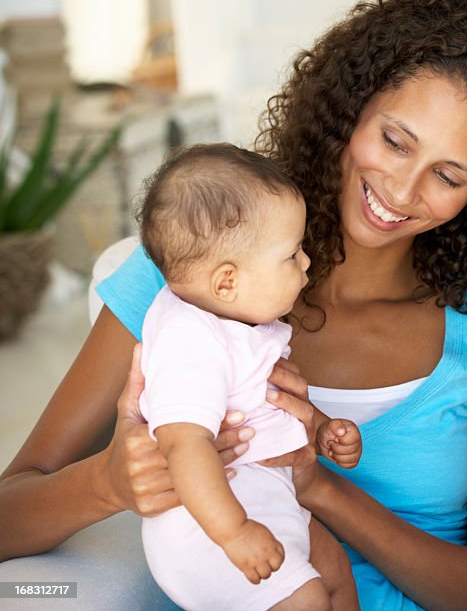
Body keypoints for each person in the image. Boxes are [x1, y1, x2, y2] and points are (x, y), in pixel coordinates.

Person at [0, 0, 467, 611]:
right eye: (396, 141)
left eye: (449, 174)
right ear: (352, 109)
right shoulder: (189, 276)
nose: (402, 190)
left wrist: (318, 486)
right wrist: (107, 484)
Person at [134, 143, 361, 609]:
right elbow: (184, 444)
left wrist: (321, 429)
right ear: (226, 282)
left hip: (269, 505)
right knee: (308, 599)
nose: (306, 263)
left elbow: (266, 401)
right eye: (291, 255)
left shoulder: (238, 322)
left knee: (335, 571)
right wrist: (233, 532)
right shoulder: (189, 340)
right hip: (208, 527)